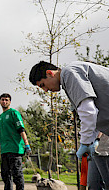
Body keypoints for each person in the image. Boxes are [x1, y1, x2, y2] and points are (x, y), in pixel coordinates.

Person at [29, 61, 109, 189]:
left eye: (43, 85)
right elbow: (94, 117)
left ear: (50, 73)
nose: (45, 90)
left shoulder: (69, 73)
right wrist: (92, 139)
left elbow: (88, 111)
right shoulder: (69, 77)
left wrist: (85, 142)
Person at [0, 93, 31, 190]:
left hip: (15, 150)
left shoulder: (14, 113)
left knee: (17, 175)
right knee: (6, 176)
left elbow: (21, 130)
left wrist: (27, 145)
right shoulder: (0, 117)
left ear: (10, 102)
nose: (4, 101)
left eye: (6, 100)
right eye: (2, 99)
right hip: (4, 151)